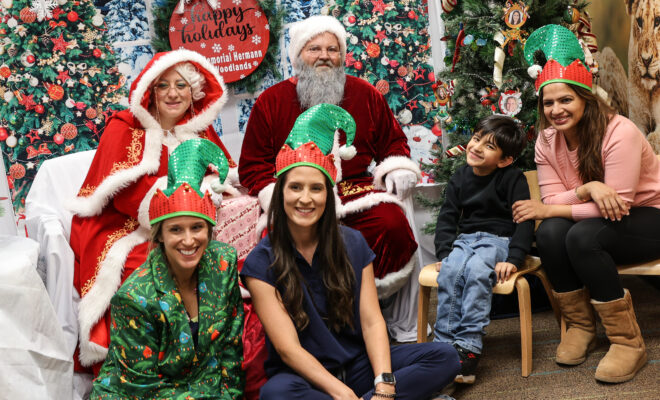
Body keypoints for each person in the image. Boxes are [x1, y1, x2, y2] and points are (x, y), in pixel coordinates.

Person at [241, 104, 460, 399]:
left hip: (359, 367)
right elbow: (287, 349)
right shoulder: (261, 261)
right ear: (280, 193)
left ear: (328, 194)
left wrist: (383, 385)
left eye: (316, 189)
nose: (305, 199)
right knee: (276, 394)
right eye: (295, 188)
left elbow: (371, 322)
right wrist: (342, 394)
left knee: (445, 357)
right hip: (305, 378)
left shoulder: (353, 243)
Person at [238, 15, 421, 327]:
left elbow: (393, 143)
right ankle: (307, 319)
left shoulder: (365, 93)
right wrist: (274, 192)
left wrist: (396, 169)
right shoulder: (271, 101)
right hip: (295, 195)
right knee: (278, 241)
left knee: (390, 224)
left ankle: (371, 312)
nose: (324, 55)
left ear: (342, 56)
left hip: (354, 190)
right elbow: (252, 165)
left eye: (332, 49)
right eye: (314, 49)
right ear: (298, 56)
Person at [69, 49, 236, 370]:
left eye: (182, 85)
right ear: (150, 90)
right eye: (163, 85)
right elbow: (126, 196)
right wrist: (179, 207)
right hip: (128, 226)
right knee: (146, 265)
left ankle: (215, 343)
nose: (173, 93)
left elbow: (222, 173)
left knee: (228, 252)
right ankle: (153, 358)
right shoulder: (124, 128)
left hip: (194, 220)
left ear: (195, 91)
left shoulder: (199, 127)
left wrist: (207, 195)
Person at [514, 24, 660, 383]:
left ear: (585, 98)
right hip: (601, 217)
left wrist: (560, 204)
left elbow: (618, 206)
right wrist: (587, 189)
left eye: (566, 100)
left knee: (582, 237)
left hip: (648, 217)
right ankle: (580, 326)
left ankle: (627, 342)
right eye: (548, 103)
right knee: (549, 234)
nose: (556, 110)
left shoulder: (619, 132)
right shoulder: (546, 141)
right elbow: (551, 201)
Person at [89, 138, 244, 399]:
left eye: (197, 227)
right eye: (175, 230)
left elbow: (230, 350)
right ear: (159, 235)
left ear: (209, 229)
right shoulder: (135, 297)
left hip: (204, 389)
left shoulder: (223, 263)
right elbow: (142, 387)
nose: (188, 240)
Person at [433, 115, 533, 384]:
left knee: (478, 272)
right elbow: (447, 217)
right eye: (477, 139)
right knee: (450, 272)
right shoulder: (460, 177)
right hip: (465, 239)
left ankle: (468, 347)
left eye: (489, 146)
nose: (476, 147)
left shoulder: (513, 178)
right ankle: (443, 344)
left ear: (504, 159)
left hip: (498, 240)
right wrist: (444, 254)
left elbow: (524, 220)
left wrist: (513, 258)